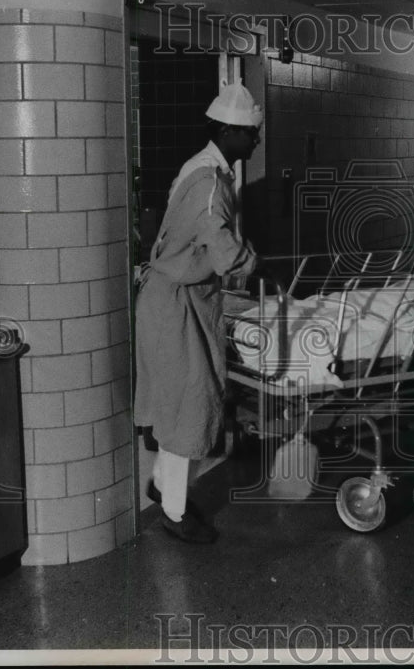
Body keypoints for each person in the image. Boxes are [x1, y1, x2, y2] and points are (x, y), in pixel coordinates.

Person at [133, 82, 262, 543]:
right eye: (251, 133)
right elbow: (220, 242)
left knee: (179, 402)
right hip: (176, 303)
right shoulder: (210, 181)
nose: (256, 141)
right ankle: (174, 513)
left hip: (171, 296)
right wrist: (252, 266)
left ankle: (165, 485)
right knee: (188, 403)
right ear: (230, 131)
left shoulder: (201, 167)